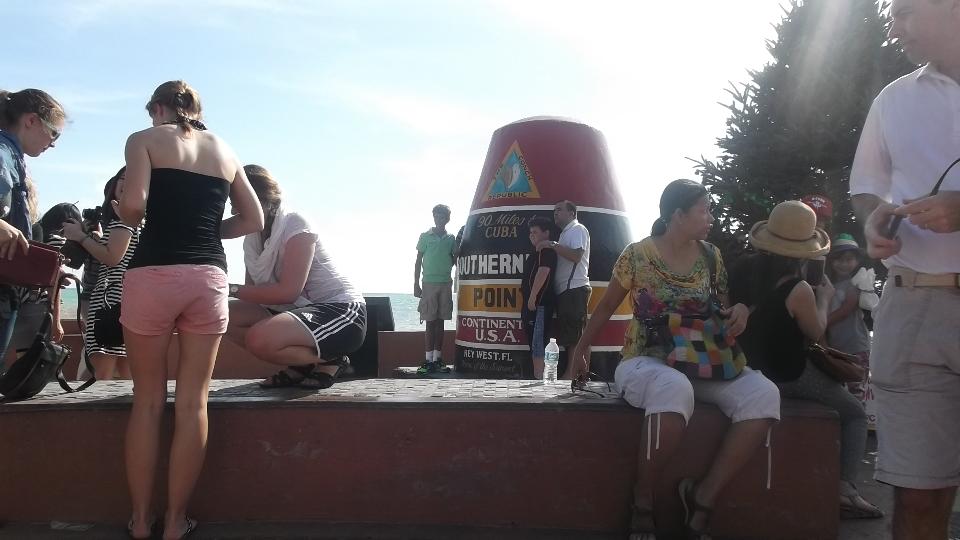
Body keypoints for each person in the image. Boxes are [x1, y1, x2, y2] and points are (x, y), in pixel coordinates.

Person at [570, 179, 779, 540]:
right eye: (704, 210)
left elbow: (723, 309)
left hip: (702, 360)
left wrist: (740, 311)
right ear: (678, 215)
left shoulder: (711, 256)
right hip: (645, 360)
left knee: (764, 394)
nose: (710, 218)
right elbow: (605, 307)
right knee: (673, 386)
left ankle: (703, 497)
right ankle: (643, 499)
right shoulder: (638, 254)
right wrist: (580, 350)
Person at [116, 81, 263, 540]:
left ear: (159, 108)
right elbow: (254, 219)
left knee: (148, 401)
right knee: (194, 402)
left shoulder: (143, 140)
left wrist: (125, 213)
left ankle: (141, 521)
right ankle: (176, 521)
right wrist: (206, 228)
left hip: (153, 273)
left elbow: (135, 206)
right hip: (206, 277)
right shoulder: (225, 150)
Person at [849, 1, 960, 536]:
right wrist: (874, 219)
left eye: (906, 11)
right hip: (913, 310)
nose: (893, 26)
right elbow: (866, 188)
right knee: (918, 498)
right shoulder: (892, 100)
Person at [731, 202, 882, 520]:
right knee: (855, 414)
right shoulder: (797, 287)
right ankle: (845, 489)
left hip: (749, 370)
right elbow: (815, 331)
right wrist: (823, 299)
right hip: (788, 374)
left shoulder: (743, 269)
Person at [225, 164, 366, 389]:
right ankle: (303, 364)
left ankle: (333, 360)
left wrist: (228, 288)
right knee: (220, 315)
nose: (233, 211)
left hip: (339, 311)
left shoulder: (295, 224)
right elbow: (253, 293)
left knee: (259, 339)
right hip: (293, 311)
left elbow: (289, 292)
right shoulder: (252, 239)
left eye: (236, 202)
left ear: (258, 199)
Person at [0, 88, 65, 369]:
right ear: (31, 120)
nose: (53, 144)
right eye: (54, 133)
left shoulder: (11, 156)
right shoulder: (3, 152)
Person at [62, 167, 139, 381]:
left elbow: (112, 258)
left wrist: (79, 236)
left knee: (101, 370)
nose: (126, 183)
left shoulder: (123, 220)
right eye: (122, 178)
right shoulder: (137, 219)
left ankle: (86, 404)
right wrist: (96, 239)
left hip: (110, 302)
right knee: (125, 371)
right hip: (129, 300)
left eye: (133, 180)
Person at [540, 200, 590, 379]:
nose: (555, 213)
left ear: (572, 213)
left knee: (574, 336)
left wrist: (551, 244)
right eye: (554, 210)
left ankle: (571, 374)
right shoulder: (565, 234)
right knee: (576, 333)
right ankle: (581, 374)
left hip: (574, 288)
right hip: (567, 290)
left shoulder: (577, 229)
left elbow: (576, 255)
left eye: (560, 210)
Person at [825, 234, 872, 402]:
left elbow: (846, 309)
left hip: (855, 345)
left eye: (849, 259)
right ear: (831, 261)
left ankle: (858, 416)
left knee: (856, 389)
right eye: (839, 259)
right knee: (837, 389)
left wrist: (820, 323)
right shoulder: (828, 284)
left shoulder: (855, 284)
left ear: (857, 261)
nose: (844, 264)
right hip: (835, 346)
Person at [413, 204, 456, 375]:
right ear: (433, 217)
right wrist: (415, 284)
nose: (439, 219)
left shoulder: (451, 238)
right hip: (428, 283)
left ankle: (438, 359)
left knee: (441, 321)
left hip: (445, 283)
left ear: (447, 219)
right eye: (436, 216)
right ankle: (428, 360)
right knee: (430, 322)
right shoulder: (425, 236)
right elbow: (418, 261)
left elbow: (455, 258)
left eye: (442, 216)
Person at [519, 216, 557, 379]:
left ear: (546, 233)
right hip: (533, 305)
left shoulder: (545, 251)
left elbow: (543, 271)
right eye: (530, 232)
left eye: (535, 232)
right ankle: (538, 375)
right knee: (534, 341)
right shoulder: (537, 251)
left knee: (538, 341)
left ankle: (540, 376)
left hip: (540, 304)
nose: (531, 235)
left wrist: (533, 297)